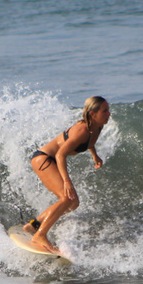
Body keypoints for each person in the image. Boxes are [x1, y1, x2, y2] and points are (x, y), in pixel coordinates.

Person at [23, 96, 111, 254]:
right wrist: (67, 181)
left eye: (108, 110)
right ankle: (40, 235)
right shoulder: (82, 130)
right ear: (93, 114)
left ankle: (34, 225)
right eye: (104, 111)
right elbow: (60, 155)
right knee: (66, 198)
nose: (108, 113)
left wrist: (94, 155)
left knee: (73, 203)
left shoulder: (97, 127)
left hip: (51, 160)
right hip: (43, 159)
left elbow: (90, 142)